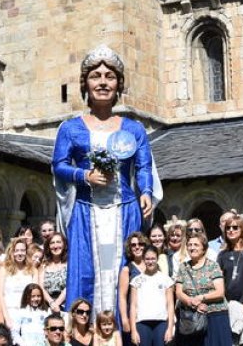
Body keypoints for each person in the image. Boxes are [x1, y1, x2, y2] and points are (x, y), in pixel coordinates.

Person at [52, 46, 160, 313]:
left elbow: (143, 165)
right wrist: (84, 175)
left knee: (124, 270)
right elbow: (59, 166)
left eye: (109, 76)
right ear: (85, 84)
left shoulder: (134, 129)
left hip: (124, 210)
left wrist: (145, 190)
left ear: (119, 84)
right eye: (96, 76)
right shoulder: (70, 128)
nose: (102, 82)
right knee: (86, 271)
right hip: (86, 212)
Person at [175, 231, 231, 346]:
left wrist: (201, 298)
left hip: (215, 316)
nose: (192, 248)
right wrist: (192, 302)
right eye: (189, 245)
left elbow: (220, 292)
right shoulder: (183, 267)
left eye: (196, 245)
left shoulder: (213, 266)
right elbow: (179, 292)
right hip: (192, 317)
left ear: (204, 249)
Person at [216, 213, 243, 346]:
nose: (231, 230)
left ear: (242, 230)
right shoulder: (222, 255)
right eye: (228, 228)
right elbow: (218, 282)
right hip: (228, 308)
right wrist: (224, 305)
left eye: (235, 227)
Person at [129, 247, 175, 346]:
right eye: (147, 259)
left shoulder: (166, 280)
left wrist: (170, 328)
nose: (150, 262)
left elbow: (170, 305)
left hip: (161, 323)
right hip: (142, 323)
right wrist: (133, 330)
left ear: (157, 259)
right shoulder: (136, 281)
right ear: (143, 259)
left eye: (153, 258)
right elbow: (133, 306)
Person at [0, 238, 38, 327]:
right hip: (9, 312)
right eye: (16, 251)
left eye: (23, 250)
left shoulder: (33, 270)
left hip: (28, 313)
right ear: (12, 252)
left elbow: (36, 294)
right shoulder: (4, 270)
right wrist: (6, 318)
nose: (20, 253)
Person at [118, 233, 150, 341]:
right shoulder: (127, 270)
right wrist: (124, 319)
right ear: (129, 248)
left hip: (151, 315)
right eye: (133, 245)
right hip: (134, 318)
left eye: (140, 244)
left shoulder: (152, 266)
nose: (137, 247)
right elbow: (122, 297)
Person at [39, 231, 68, 312]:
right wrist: (51, 303)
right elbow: (41, 287)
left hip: (65, 306)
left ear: (64, 245)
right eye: (52, 243)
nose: (55, 246)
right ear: (48, 246)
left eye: (59, 242)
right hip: (47, 307)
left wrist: (57, 303)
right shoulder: (43, 265)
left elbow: (69, 287)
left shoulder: (69, 265)